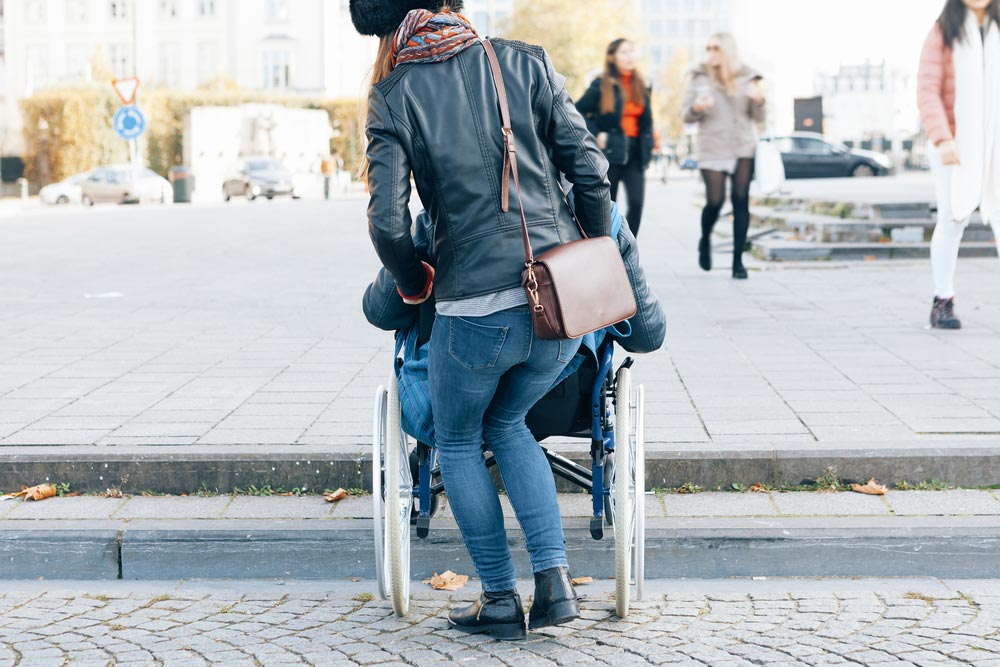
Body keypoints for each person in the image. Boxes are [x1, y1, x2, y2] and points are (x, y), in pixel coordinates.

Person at [352, 0, 613, 639]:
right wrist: (592, 256)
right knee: (508, 420)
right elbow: (591, 171)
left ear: (390, 27)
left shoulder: (394, 94)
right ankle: (554, 585)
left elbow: (387, 224)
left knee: (460, 437)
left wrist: (416, 284)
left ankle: (500, 600)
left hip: (473, 310)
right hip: (556, 307)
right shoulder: (525, 62)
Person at [363, 200, 666, 446]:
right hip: (563, 396)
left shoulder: (442, 213)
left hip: (452, 396)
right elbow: (648, 335)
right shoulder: (602, 217)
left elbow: (381, 312)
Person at [917, 0, 1000, 329]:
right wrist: (942, 138)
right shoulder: (943, 30)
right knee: (953, 218)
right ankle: (943, 300)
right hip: (954, 143)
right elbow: (927, 89)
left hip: (996, 141)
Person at [681, 33, 765, 280]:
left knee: (741, 200)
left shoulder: (749, 77)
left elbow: (759, 118)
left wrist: (759, 100)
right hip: (712, 144)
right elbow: (685, 114)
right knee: (715, 201)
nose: (710, 53)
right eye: (707, 48)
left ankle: (738, 261)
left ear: (727, 50)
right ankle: (705, 239)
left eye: (715, 48)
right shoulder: (698, 77)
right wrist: (697, 108)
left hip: (742, 145)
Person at [576, 38, 655, 238]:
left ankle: (628, 248)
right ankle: (609, 248)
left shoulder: (642, 85)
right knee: (609, 206)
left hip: (636, 153)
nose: (630, 56)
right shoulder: (602, 84)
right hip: (610, 152)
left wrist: (649, 144)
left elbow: (647, 121)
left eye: (632, 51)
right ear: (612, 57)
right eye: (624, 52)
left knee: (637, 204)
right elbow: (577, 111)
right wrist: (597, 133)